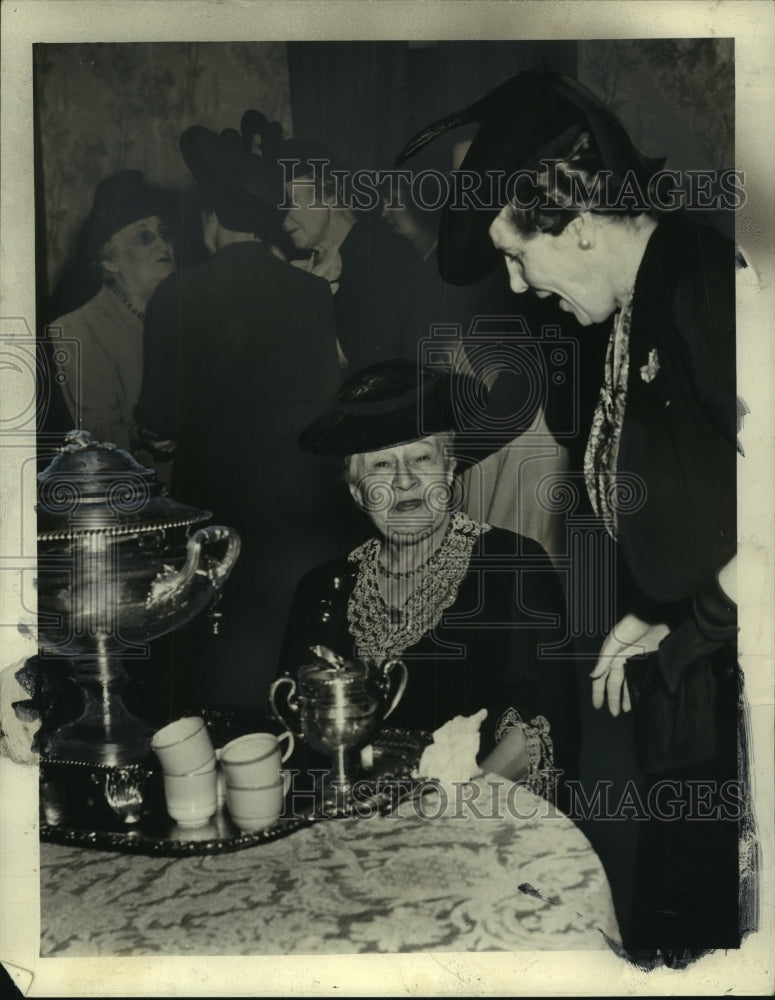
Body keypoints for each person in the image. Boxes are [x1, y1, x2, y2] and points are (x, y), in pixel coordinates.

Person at [397, 68, 747, 959]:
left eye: (519, 255)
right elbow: (711, 498)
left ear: (582, 227)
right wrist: (661, 610)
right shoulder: (629, 305)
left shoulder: (706, 283)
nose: (515, 287)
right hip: (693, 649)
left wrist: (700, 614)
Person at [278, 360, 580, 802]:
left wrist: (453, 809)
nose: (404, 482)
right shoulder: (320, 589)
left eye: (421, 457)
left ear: (449, 467)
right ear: (356, 491)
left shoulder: (512, 564)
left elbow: (540, 724)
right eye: (381, 464)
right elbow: (295, 735)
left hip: (477, 819)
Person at [135, 126, 353, 711]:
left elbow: (157, 416)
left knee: (222, 672)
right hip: (302, 514)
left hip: (218, 514)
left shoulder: (177, 295)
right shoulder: (310, 294)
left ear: (210, 219)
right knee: (296, 666)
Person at [247, 120, 423, 372]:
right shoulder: (299, 268)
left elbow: (382, 359)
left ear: (329, 188)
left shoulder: (386, 254)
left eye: (288, 200)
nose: (281, 215)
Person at [48, 170, 175, 452]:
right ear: (109, 261)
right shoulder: (79, 329)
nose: (162, 244)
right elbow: (94, 430)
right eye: (145, 237)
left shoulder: (183, 313)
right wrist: (139, 436)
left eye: (163, 233)